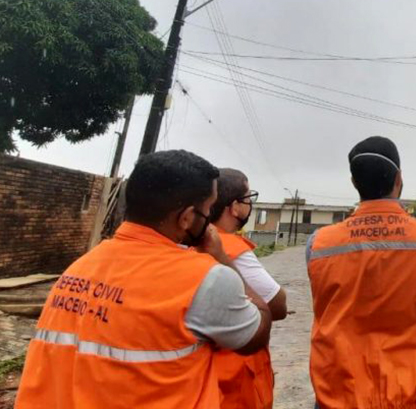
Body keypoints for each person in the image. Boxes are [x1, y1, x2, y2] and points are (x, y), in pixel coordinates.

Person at [15, 150, 273, 409]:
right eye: (207, 210)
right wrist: (222, 259)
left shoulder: (77, 270)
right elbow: (256, 334)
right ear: (186, 218)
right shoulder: (204, 278)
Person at [306, 136, 416, 409]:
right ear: (399, 179)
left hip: (338, 394)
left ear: (354, 183)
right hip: (411, 394)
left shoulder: (320, 243)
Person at [211, 168, 287, 409]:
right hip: (236, 379)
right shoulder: (233, 250)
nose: (249, 205)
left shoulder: (190, 240)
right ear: (234, 207)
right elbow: (277, 304)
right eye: (248, 199)